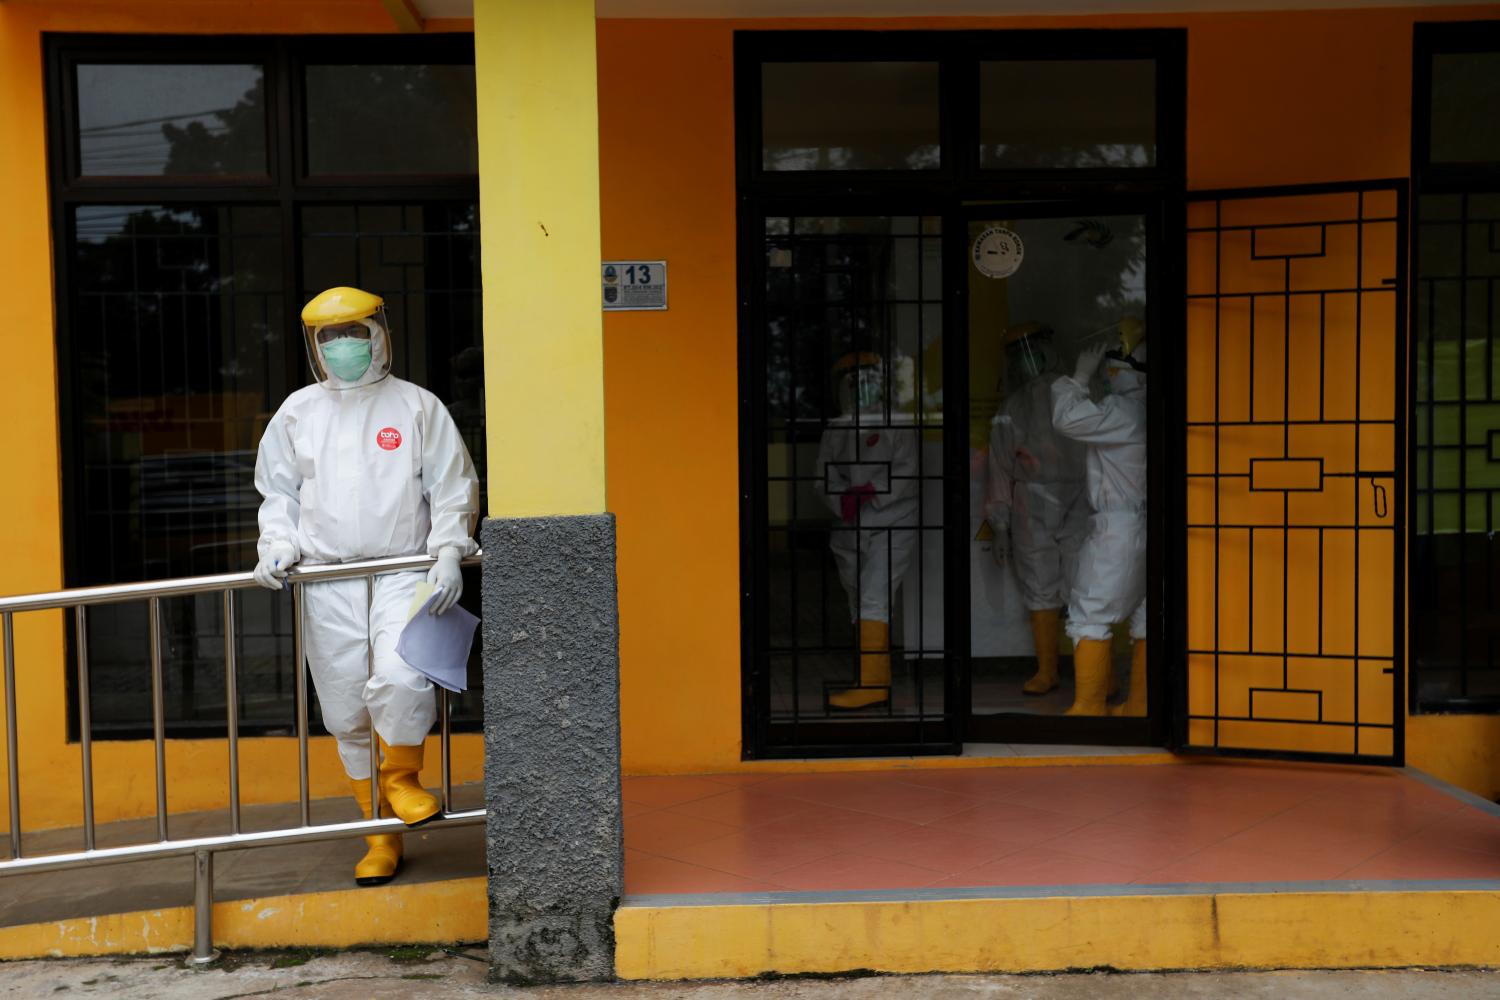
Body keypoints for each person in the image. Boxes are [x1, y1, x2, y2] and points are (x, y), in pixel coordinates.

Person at [252, 286, 480, 885]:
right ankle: (378, 833)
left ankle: (402, 778)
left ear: (380, 332)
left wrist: (451, 551)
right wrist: (276, 543)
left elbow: (452, 485)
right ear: (313, 345)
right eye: (329, 336)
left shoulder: (417, 407)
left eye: (354, 331)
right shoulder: (297, 413)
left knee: (404, 676)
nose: (344, 345)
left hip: (406, 566)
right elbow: (278, 493)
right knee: (346, 706)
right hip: (329, 578)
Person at [1050, 318, 1148, 717]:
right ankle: (1140, 706)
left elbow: (1067, 419)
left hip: (1117, 528)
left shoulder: (1122, 411)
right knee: (1144, 614)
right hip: (1143, 523)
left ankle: (1088, 707)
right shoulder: (1150, 409)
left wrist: (1077, 377)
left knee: (1089, 611)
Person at [984, 323, 1089, 696]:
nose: (1029, 361)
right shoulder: (1012, 408)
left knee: (1086, 582)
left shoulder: (1077, 393)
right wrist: (999, 525)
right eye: (1020, 353)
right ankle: (1049, 670)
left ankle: (1094, 674)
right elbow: (999, 467)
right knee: (1041, 584)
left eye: (1034, 350)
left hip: (1082, 497)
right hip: (1033, 502)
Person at [816, 351, 920, 710]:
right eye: (850, 383)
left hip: (892, 521)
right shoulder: (838, 426)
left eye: (864, 380)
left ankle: (874, 684)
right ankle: (870, 676)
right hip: (849, 525)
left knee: (874, 596)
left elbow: (908, 468)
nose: (857, 389)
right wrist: (839, 498)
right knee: (858, 600)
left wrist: (873, 489)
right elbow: (822, 475)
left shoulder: (897, 420)